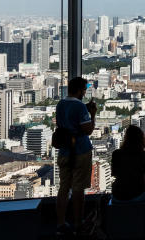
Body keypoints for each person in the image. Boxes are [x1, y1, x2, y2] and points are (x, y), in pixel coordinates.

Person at [54, 77, 97, 235]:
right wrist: (92, 114)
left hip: (64, 150)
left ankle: (60, 223)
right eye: (84, 90)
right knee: (78, 189)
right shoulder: (80, 107)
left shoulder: (61, 104)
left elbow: (61, 125)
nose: (84, 93)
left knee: (63, 188)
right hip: (80, 151)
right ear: (80, 90)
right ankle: (78, 223)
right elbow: (88, 130)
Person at [111, 125, 145, 204]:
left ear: (125, 138)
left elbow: (115, 174)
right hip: (138, 194)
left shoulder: (116, 153)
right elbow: (144, 177)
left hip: (119, 195)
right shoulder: (144, 154)